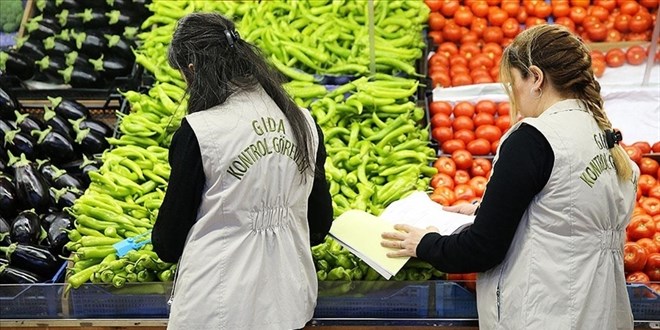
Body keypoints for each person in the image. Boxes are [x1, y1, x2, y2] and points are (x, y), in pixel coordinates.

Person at [381, 24, 639, 329]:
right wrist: (485, 209)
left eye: (513, 81)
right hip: (599, 313)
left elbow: (482, 249)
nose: (513, 93)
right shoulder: (601, 134)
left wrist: (424, 243)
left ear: (536, 78)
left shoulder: (534, 138)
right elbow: (567, 210)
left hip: (547, 315)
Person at [151, 13, 333, 330]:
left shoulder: (200, 132)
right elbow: (319, 223)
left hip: (217, 304)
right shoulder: (303, 122)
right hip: (289, 296)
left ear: (192, 70)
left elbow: (167, 243)